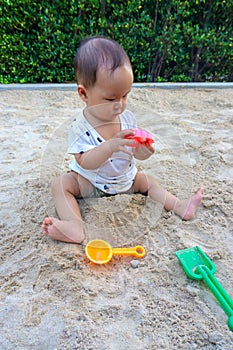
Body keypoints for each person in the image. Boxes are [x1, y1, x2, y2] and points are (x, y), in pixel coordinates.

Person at [42, 36, 203, 243]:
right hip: (90, 183)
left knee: (148, 181)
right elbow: (84, 162)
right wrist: (109, 146)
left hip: (126, 181)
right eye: (110, 99)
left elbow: (135, 153)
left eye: (125, 95)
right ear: (84, 93)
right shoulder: (79, 126)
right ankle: (74, 227)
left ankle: (180, 206)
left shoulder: (127, 119)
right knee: (60, 184)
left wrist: (143, 151)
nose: (120, 104)